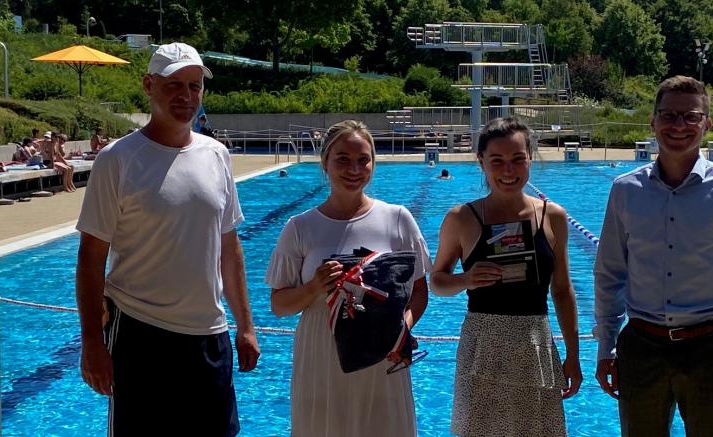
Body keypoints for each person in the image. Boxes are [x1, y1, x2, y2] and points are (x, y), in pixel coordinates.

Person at [75, 41, 259, 437]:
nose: (186, 96)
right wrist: (92, 341)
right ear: (148, 85)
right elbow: (91, 257)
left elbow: (230, 248)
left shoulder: (217, 155)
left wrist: (245, 324)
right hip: (141, 334)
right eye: (175, 85)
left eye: (194, 86)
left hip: (210, 335)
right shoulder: (118, 159)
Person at [594, 76, 713, 437]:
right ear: (652, 120)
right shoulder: (625, 190)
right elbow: (609, 274)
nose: (678, 126)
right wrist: (606, 346)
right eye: (669, 115)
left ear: (707, 123)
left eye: (691, 117)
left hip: (711, 350)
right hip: (641, 346)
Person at [266, 120, 430, 436]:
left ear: (373, 163)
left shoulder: (398, 219)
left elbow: (419, 291)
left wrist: (402, 331)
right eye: (342, 159)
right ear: (325, 163)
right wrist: (314, 287)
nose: (354, 168)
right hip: (322, 352)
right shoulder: (300, 227)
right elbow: (278, 304)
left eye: (363, 159)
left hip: (383, 351)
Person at [431, 117, 581, 436]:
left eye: (517, 160)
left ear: (530, 159)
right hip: (482, 347)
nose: (508, 171)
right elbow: (437, 281)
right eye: (497, 161)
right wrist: (465, 280)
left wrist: (573, 355)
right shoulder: (461, 218)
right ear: (481, 162)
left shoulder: (552, 216)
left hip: (535, 346)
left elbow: (563, 290)